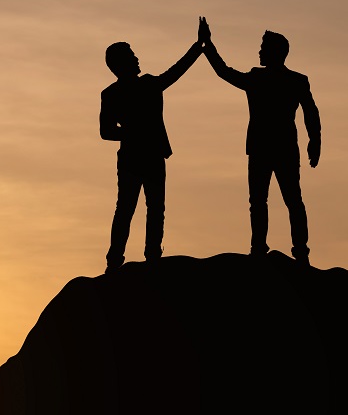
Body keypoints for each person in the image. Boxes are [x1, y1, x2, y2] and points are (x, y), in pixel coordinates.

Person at [198, 17, 321, 264]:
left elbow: (311, 112)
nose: (260, 52)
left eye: (264, 49)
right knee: (262, 200)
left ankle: (298, 251)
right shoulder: (263, 78)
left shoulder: (292, 80)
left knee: (288, 199)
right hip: (264, 148)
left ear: (277, 52)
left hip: (278, 148)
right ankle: (261, 247)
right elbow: (225, 72)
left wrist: (315, 141)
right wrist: (207, 45)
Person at [100, 37, 204, 272]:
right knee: (129, 208)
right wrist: (131, 132)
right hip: (134, 157)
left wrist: (198, 47)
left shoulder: (146, 84)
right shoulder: (113, 93)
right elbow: (105, 132)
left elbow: (176, 72)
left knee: (153, 207)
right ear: (120, 64)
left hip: (150, 155)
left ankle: (151, 256)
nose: (136, 59)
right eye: (131, 56)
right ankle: (116, 259)